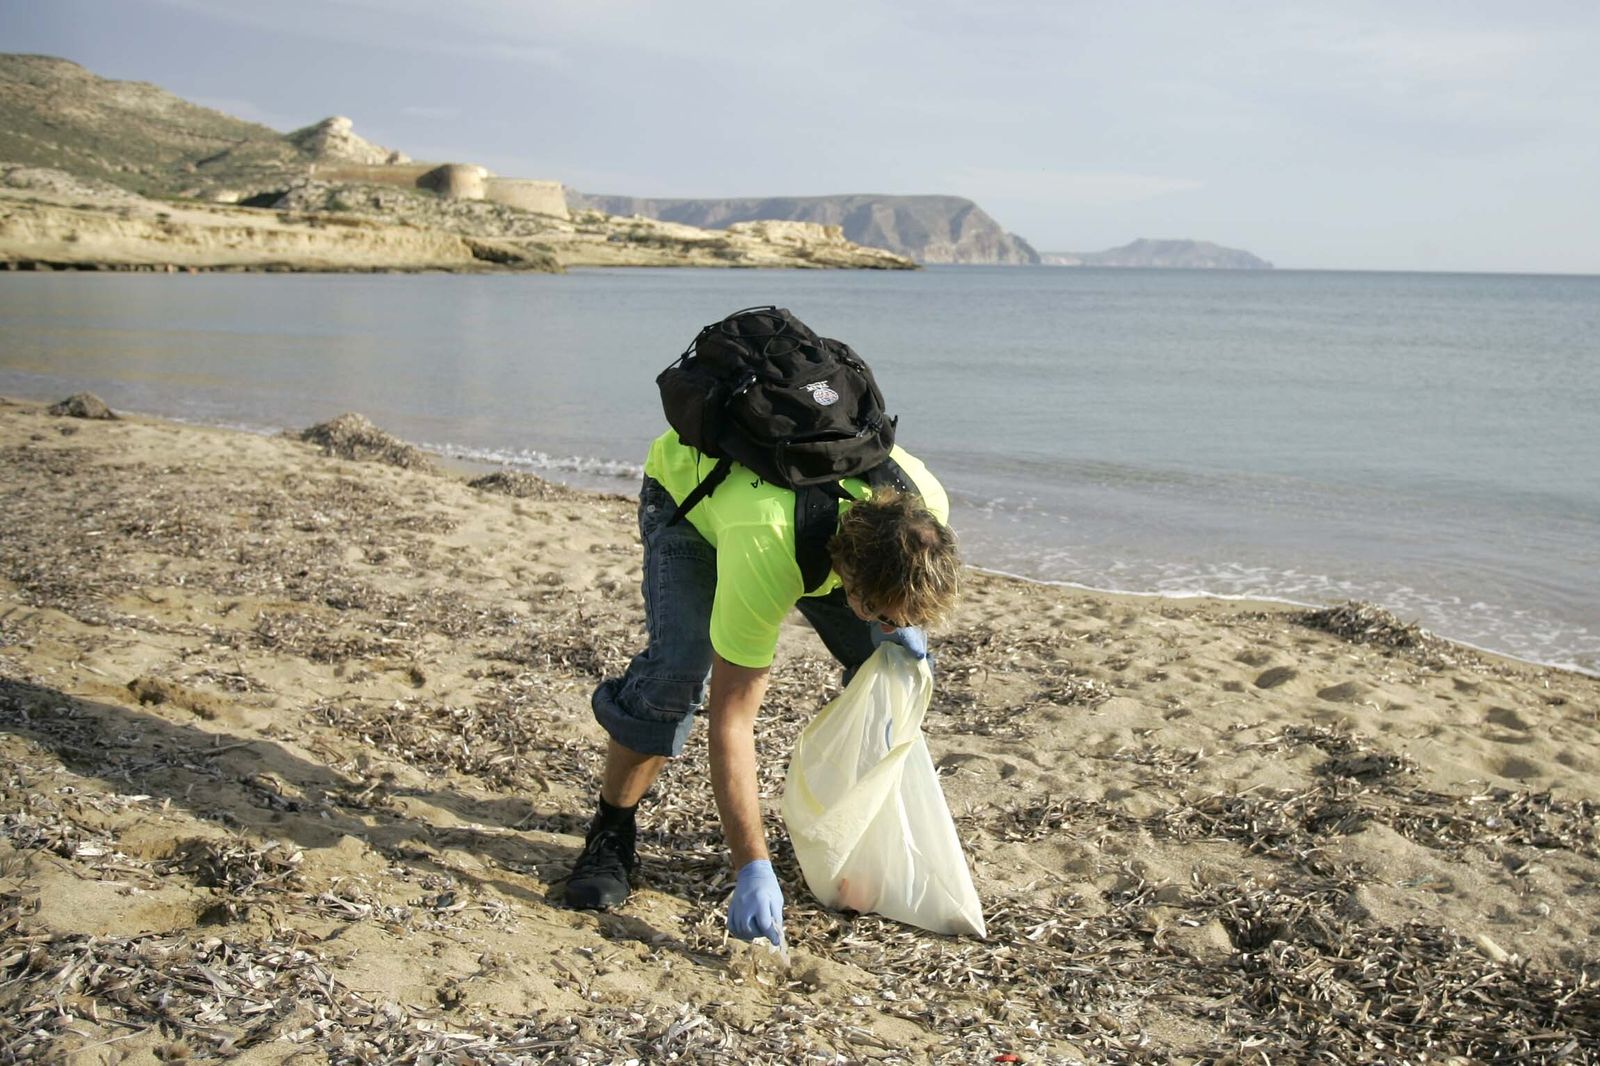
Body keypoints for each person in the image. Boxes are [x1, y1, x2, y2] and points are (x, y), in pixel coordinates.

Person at [562, 406, 960, 948]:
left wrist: (897, 637)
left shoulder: (926, 507)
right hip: (691, 500)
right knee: (676, 676)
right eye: (885, 614)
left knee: (889, 674)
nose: (894, 626)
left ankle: (862, 836)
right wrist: (751, 866)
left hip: (813, 533)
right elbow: (732, 721)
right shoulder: (767, 546)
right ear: (848, 582)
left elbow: (897, 603)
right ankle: (612, 829)